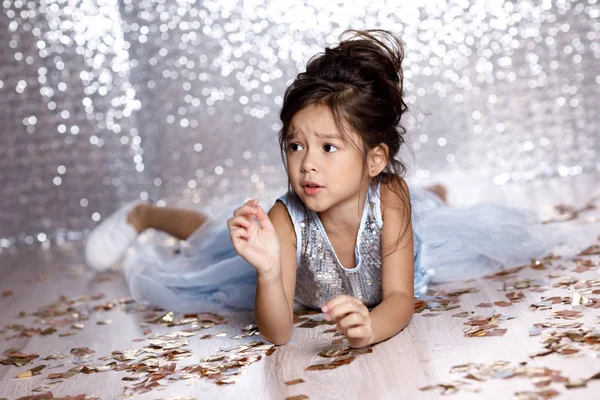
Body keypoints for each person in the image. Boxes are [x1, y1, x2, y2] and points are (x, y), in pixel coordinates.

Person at [84, 30, 556, 348]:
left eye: (329, 147)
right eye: (294, 145)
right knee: (209, 237)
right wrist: (269, 272)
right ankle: (144, 214)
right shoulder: (285, 219)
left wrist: (372, 327)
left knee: (426, 213)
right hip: (297, 255)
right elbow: (279, 334)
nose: (306, 163)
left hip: (388, 215)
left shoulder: (389, 195)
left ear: (375, 158)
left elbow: (398, 298)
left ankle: (438, 190)